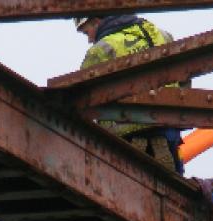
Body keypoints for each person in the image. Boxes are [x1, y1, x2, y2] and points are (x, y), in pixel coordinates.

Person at [73, 15, 186, 175]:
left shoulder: (101, 50)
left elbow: (81, 98)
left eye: (87, 32)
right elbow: (184, 77)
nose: (89, 39)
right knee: (175, 189)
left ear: (97, 21)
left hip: (125, 139)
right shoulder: (161, 35)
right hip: (168, 131)